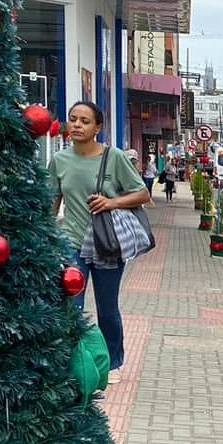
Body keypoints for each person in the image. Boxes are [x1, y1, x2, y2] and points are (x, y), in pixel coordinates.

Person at [53, 101, 148, 384]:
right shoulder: (59, 160)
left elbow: (142, 193)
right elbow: (51, 201)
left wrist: (111, 202)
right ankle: (73, 360)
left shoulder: (114, 157)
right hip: (71, 243)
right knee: (72, 306)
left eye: (84, 120)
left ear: (98, 127)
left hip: (107, 243)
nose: (77, 125)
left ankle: (112, 361)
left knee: (107, 308)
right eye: (73, 119)